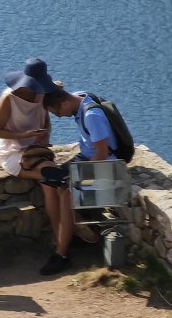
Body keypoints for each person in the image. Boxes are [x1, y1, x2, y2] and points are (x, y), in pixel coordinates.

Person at [37, 88, 122, 276]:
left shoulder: (91, 115)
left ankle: (62, 255)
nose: (59, 116)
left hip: (107, 169)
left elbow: (101, 154)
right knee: (54, 180)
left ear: (65, 104)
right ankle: (74, 236)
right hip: (88, 160)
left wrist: (76, 176)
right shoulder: (80, 97)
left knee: (67, 195)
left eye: (57, 112)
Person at [0, 58, 62, 246]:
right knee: (53, 180)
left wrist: (43, 138)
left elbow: (47, 120)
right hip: (14, 152)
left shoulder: (41, 94)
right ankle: (63, 236)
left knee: (52, 183)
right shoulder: (8, 98)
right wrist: (26, 134)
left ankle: (61, 237)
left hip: (36, 150)